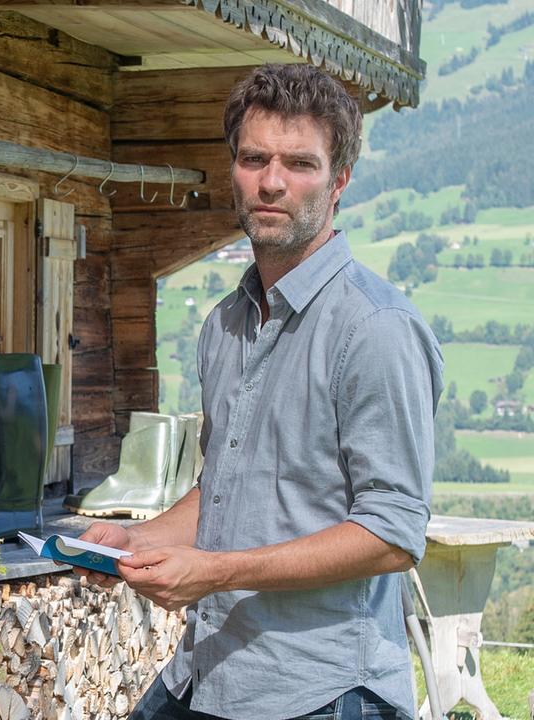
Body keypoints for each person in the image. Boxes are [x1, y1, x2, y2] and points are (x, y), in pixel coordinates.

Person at [76, 64, 444, 720]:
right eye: (254, 158)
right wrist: (139, 540)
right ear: (234, 169)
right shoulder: (225, 322)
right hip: (212, 669)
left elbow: (392, 533)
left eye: (300, 163)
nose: (272, 181)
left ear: (340, 182)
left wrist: (215, 572)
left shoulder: (376, 329)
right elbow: (226, 484)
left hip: (323, 690)